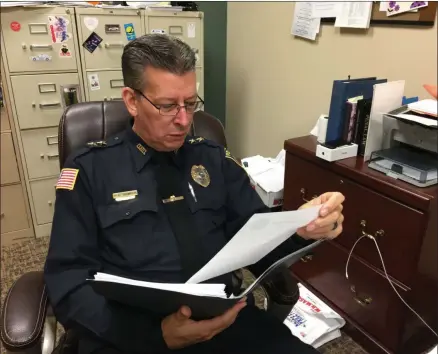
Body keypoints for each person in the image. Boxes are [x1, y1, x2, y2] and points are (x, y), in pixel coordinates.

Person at [44, 34, 345, 354]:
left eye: (190, 103)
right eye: (167, 106)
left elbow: (257, 237)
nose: (185, 120)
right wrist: (154, 336)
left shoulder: (213, 159)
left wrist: (301, 228)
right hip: (130, 333)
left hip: (223, 322)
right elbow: (67, 281)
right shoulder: (91, 170)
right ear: (132, 100)